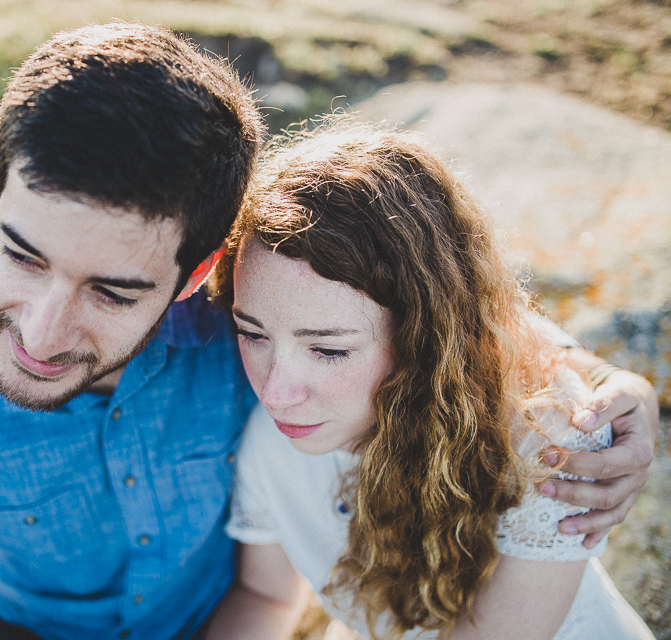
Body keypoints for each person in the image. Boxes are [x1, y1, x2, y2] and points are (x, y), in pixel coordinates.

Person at [0, 22, 656, 640]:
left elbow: (416, 312)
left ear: (198, 275)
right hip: (31, 625)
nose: (43, 332)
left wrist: (601, 387)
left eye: (112, 290)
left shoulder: (241, 317)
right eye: (21, 255)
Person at [206, 119, 657, 640]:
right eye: (253, 334)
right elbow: (265, 596)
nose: (274, 391)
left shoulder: (547, 445)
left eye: (328, 350)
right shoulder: (273, 442)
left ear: (427, 337)